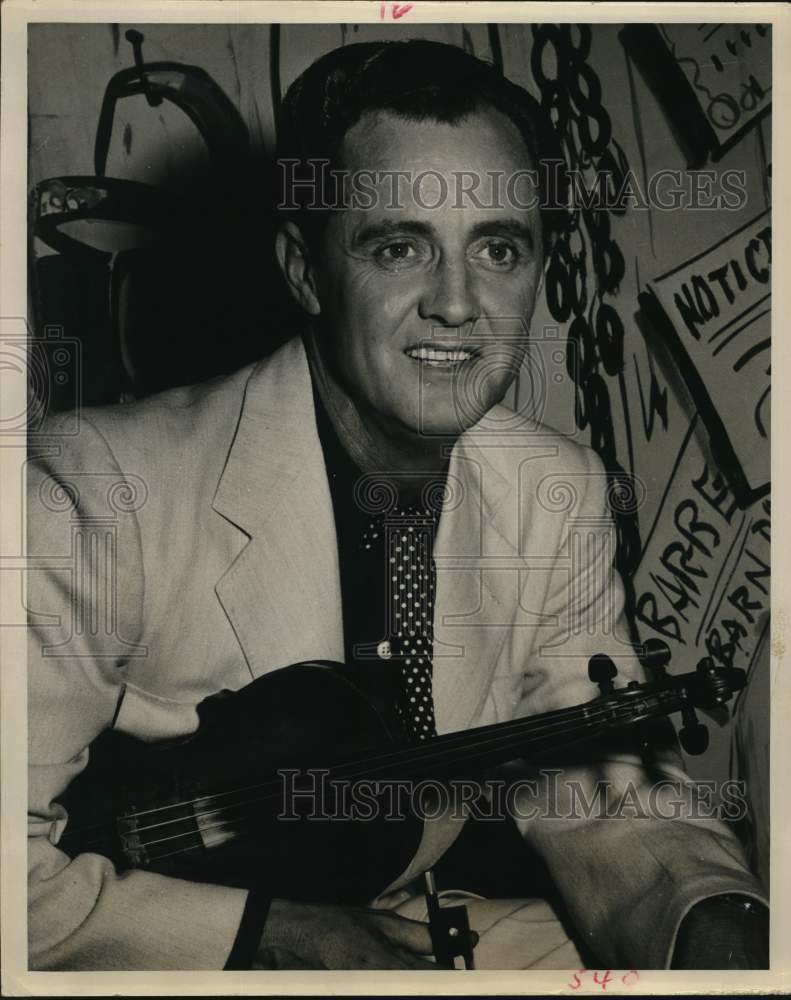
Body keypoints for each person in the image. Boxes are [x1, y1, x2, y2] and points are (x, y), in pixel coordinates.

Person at [27, 39, 768, 971]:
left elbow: (601, 782)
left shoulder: (556, 490)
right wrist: (269, 935)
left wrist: (712, 924)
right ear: (304, 271)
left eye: (497, 248)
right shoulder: (96, 487)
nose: (457, 304)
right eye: (398, 246)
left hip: (419, 923)